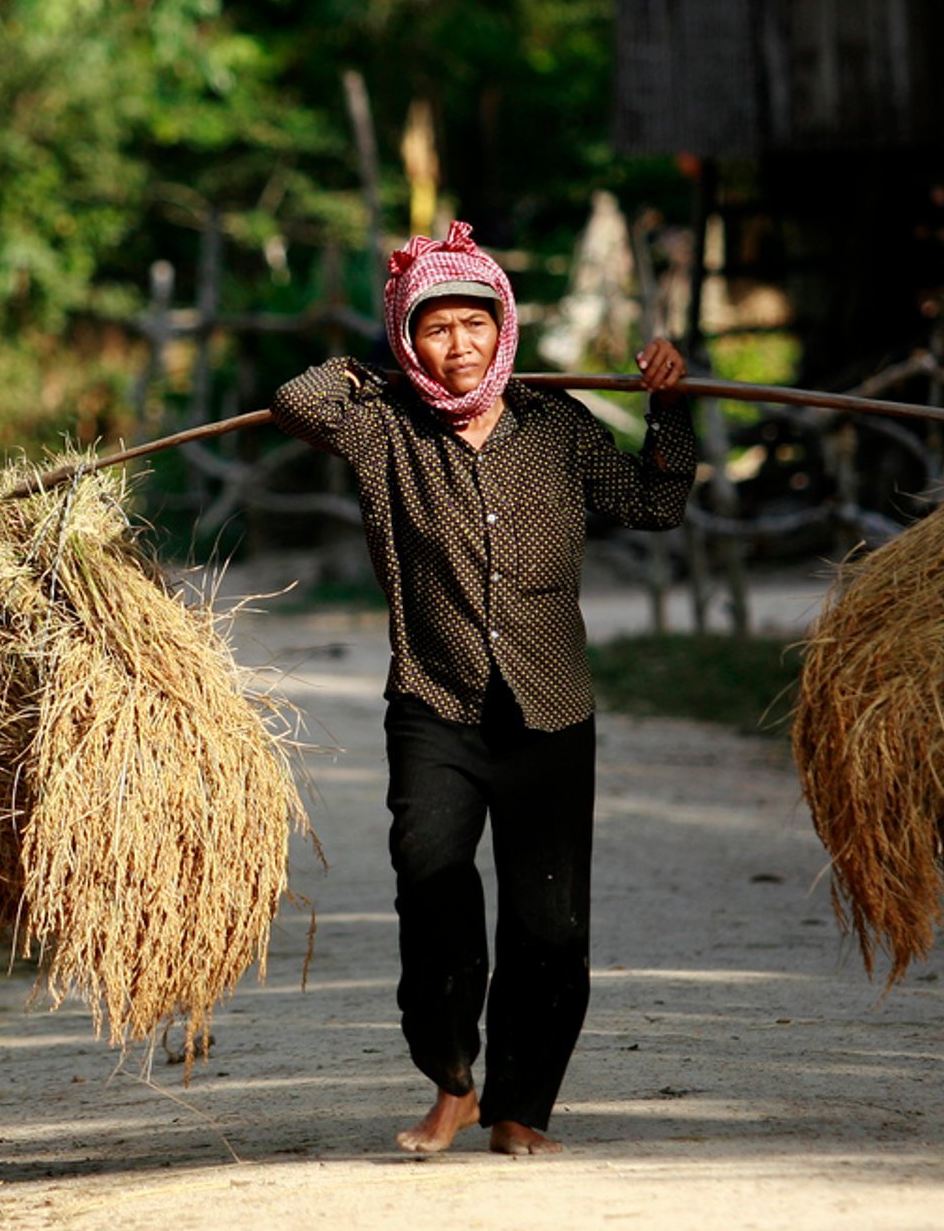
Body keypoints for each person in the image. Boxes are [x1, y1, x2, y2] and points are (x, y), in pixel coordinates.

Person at [271, 222, 695, 1156]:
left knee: (550, 922)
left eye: (474, 323)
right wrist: (361, 373)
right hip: (435, 702)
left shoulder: (556, 429)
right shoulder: (386, 430)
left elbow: (656, 504)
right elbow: (296, 400)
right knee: (431, 887)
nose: (458, 346)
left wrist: (671, 404)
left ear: (503, 328)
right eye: (433, 327)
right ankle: (453, 1080)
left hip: (549, 709)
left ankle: (521, 1109)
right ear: (406, 340)